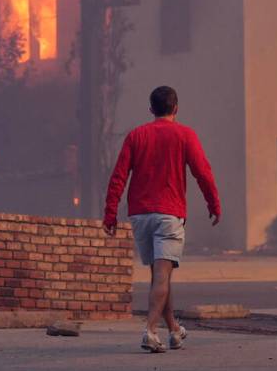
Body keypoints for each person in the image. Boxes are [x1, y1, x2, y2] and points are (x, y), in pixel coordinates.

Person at [103, 85, 221, 353]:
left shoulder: (136, 135)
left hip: (141, 215)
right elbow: (203, 172)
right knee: (162, 276)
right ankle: (150, 331)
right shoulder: (185, 135)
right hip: (169, 213)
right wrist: (213, 203)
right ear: (176, 108)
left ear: (151, 109)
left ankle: (175, 331)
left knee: (160, 275)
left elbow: (118, 177)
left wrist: (110, 213)